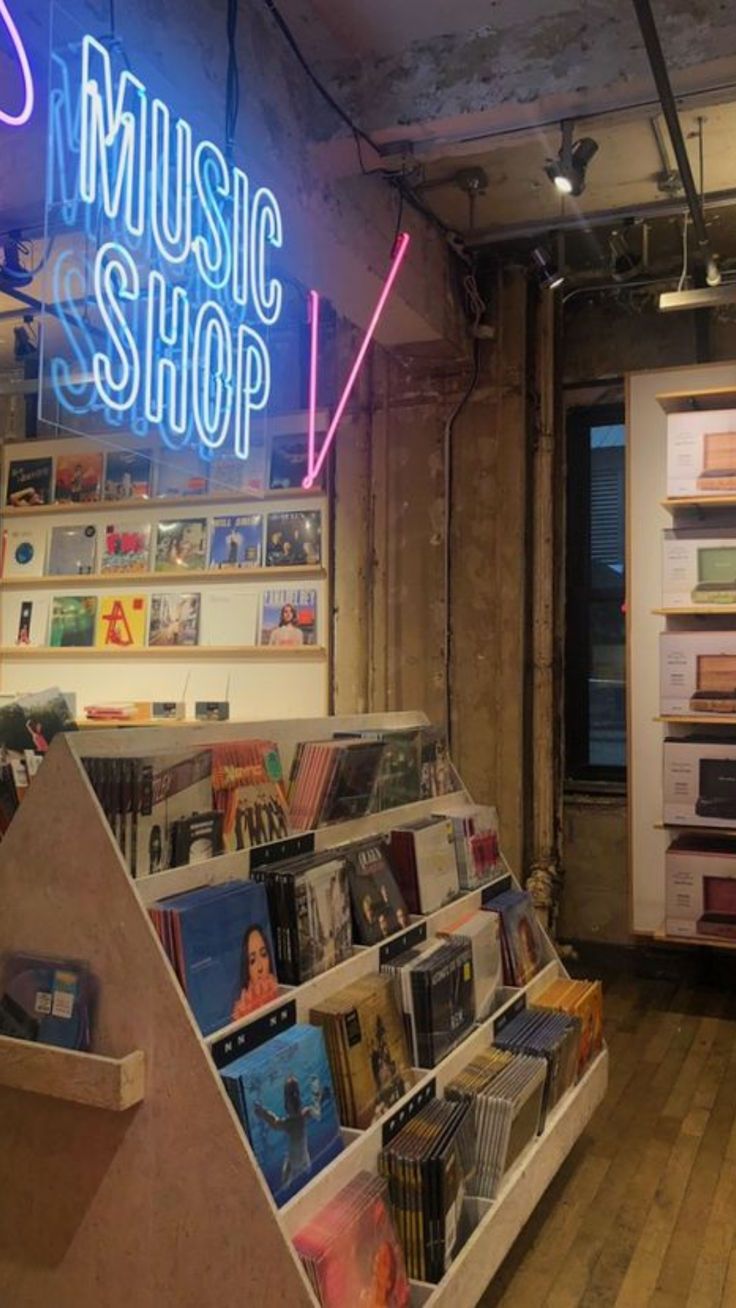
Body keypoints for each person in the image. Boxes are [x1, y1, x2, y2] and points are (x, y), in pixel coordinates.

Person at [253, 1073, 325, 1186]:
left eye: (295, 1095)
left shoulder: (297, 1118)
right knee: (293, 1176)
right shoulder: (300, 1117)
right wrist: (263, 1113)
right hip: (298, 1160)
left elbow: (274, 1123)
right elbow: (275, 1123)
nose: (294, 1100)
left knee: (293, 1176)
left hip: (298, 1160)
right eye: (291, 1096)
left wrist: (262, 1113)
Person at [232, 924, 278, 1019]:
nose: (260, 967)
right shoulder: (242, 1010)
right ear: (246, 967)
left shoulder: (282, 991)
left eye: (263, 954)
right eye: (252, 961)